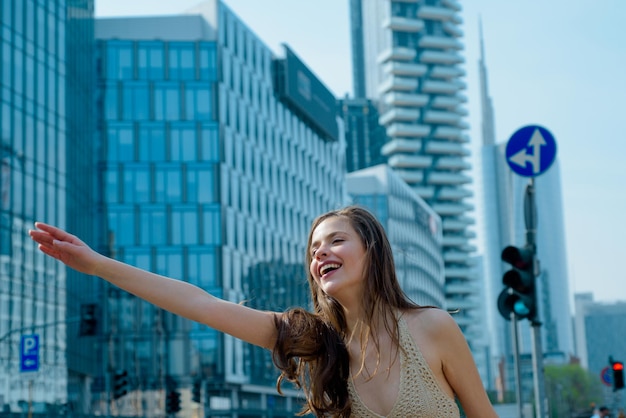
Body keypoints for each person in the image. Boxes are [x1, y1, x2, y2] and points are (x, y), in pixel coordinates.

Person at [29, 205, 498, 417]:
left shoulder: (432, 328)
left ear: (372, 251)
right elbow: (199, 303)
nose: (320, 254)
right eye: (314, 249)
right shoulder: (317, 341)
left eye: (336, 241)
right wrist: (96, 265)